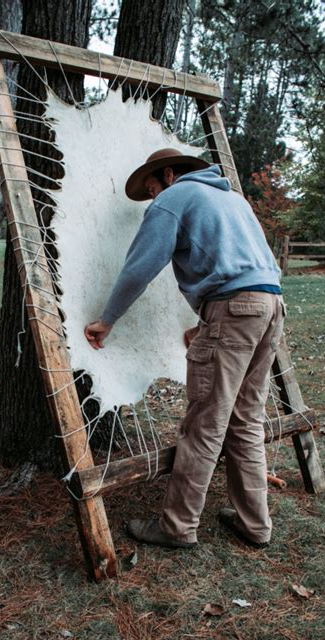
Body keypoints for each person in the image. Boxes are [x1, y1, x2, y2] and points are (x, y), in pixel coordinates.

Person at [84, 148, 285, 550]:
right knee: (245, 419)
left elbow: (140, 265)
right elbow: (244, 268)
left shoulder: (175, 198)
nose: (154, 197)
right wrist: (205, 324)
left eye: (153, 188)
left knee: (204, 425)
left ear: (169, 176)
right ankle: (255, 525)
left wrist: (107, 320)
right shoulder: (232, 200)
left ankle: (177, 527)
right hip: (272, 307)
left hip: (234, 309)